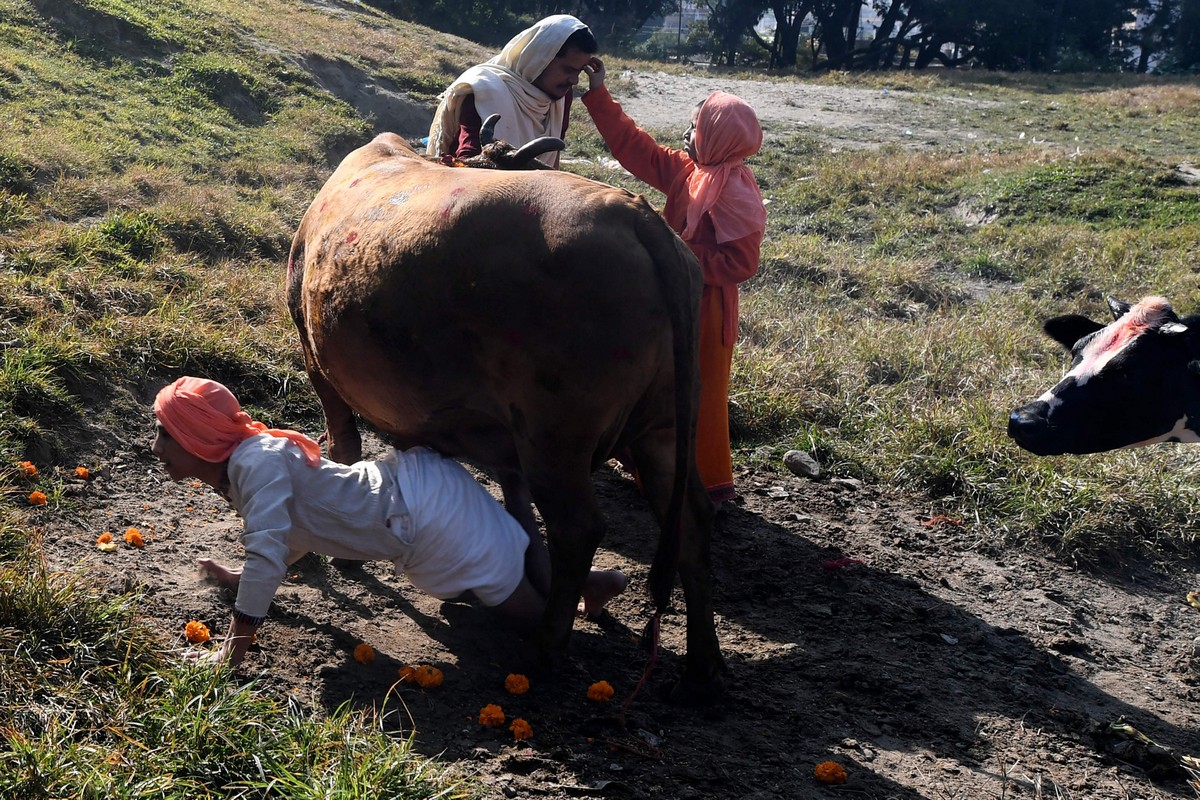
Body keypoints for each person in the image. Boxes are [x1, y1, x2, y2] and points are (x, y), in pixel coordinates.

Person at [152, 376, 627, 667]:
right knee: (494, 569)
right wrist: (244, 576)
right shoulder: (253, 460)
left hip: (428, 519)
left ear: (198, 438)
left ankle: (563, 564)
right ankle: (590, 579)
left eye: (166, 435)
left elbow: (271, 549)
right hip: (422, 490)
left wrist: (231, 652)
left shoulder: (253, 465)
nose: (156, 448)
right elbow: (297, 529)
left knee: (534, 619)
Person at [581, 61, 767, 506]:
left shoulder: (736, 192)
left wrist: (674, 251)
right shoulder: (690, 172)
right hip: (671, 297)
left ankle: (698, 487)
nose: (687, 136)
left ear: (719, 138)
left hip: (706, 309)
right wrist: (598, 95)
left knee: (694, 394)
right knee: (656, 387)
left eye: (695, 128)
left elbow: (741, 262)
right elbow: (635, 147)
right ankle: (654, 470)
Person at [427, 15, 598, 168]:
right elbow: (470, 160)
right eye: (568, 70)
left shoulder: (561, 97)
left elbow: (553, 157)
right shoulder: (484, 89)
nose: (574, 80)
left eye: (579, 71)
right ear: (539, 60)